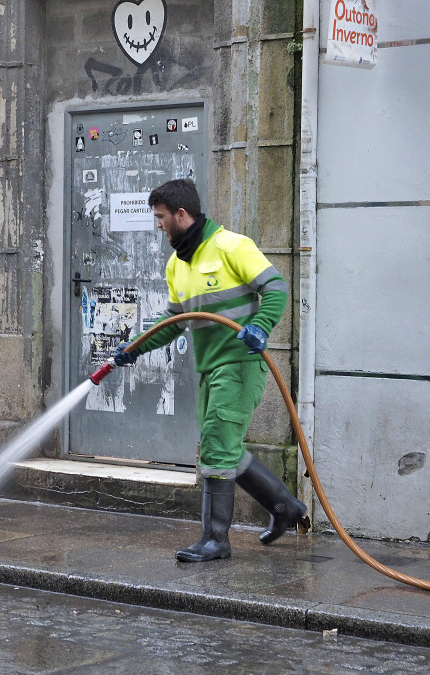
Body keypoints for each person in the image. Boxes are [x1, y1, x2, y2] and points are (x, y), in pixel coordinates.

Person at [113, 178, 306, 563]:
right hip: (209, 368)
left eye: (161, 217)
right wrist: (135, 347)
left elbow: (276, 288)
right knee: (222, 450)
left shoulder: (232, 246)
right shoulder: (177, 264)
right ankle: (285, 507)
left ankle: (215, 540)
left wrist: (260, 326)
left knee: (217, 448)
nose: (158, 225)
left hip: (239, 365)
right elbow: (174, 320)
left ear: (181, 215)